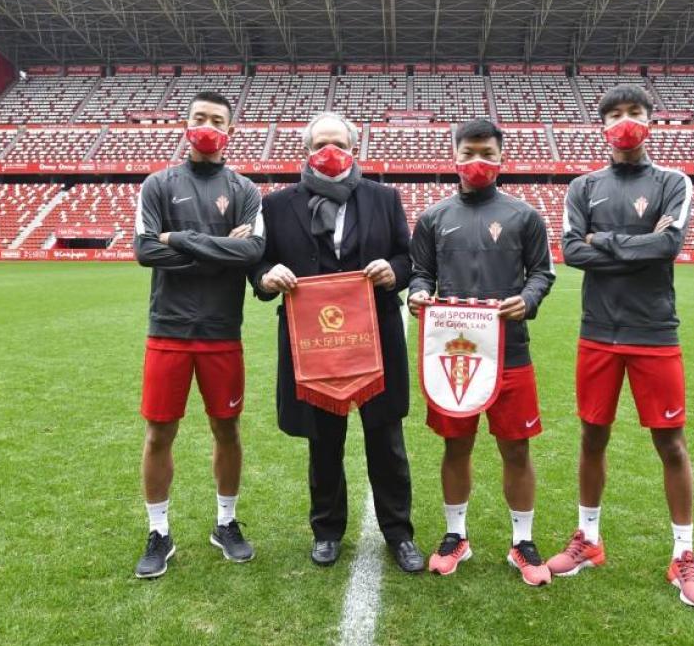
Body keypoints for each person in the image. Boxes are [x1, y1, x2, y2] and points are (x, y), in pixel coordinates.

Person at [548, 83, 694, 608]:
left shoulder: (672, 181)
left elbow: (669, 245)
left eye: (634, 112)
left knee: (671, 443)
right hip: (598, 330)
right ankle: (588, 541)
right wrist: (632, 246)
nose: (625, 121)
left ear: (650, 119)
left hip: (654, 332)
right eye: (615, 114)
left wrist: (607, 242)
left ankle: (684, 554)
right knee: (592, 437)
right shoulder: (582, 187)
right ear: (602, 125)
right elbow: (573, 251)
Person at [250, 112, 423, 573]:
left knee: (385, 438)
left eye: (339, 143)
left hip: (376, 337)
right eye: (321, 144)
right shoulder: (276, 205)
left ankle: (399, 533)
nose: (330, 152)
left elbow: (408, 257)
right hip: (314, 343)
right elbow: (259, 263)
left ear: (354, 148)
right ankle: (326, 531)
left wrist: (394, 272)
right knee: (324, 441)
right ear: (305, 152)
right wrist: (268, 276)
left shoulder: (384, 198)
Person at [408, 118, 556, 586]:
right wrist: (416, 296)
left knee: (516, 448)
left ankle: (522, 541)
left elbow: (542, 274)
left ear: (501, 157)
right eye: (470, 152)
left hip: (510, 352)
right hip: (454, 355)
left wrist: (527, 300)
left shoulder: (524, 216)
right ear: (454, 156)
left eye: (488, 153)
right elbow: (420, 274)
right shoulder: (433, 217)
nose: (478, 162)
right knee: (457, 445)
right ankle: (457, 535)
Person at [131, 90, 265, 579]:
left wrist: (179, 240)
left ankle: (225, 523)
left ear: (230, 130)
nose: (207, 125)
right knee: (160, 432)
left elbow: (251, 253)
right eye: (199, 117)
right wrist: (214, 249)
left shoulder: (246, 190)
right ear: (185, 124)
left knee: (226, 429)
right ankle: (159, 531)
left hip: (221, 331)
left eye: (217, 119)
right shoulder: (157, 185)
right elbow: (145, 251)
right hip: (167, 328)